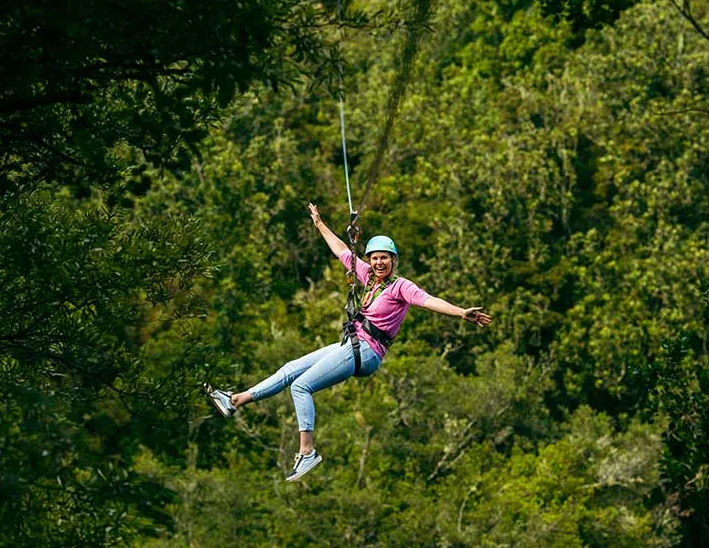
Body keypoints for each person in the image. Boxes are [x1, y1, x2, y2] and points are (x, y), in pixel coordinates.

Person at [203, 203, 492, 482]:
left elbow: (428, 301)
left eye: (384, 258)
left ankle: (307, 452)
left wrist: (461, 312)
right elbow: (342, 249)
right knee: (291, 369)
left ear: (394, 261)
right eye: (375, 258)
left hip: (366, 352)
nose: (379, 263)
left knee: (301, 387)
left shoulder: (401, 286)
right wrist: (319, 224)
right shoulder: (366, 277)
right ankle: (235, 400)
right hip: (351, 343)